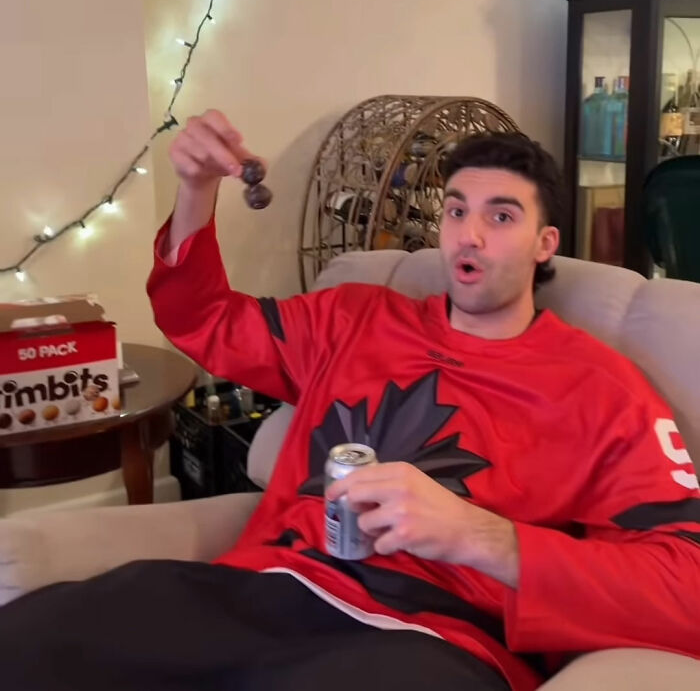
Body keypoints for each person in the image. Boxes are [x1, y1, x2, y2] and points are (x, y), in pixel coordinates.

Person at [1, 110, 699, 691]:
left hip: (430, 639)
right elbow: (204, 321)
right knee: (30, 639)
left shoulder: (604, 390)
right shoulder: (359, 318)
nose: (471, 233)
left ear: (546, 243)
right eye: (457, 209)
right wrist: (192, 190)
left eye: (502, 215)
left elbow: (685, 590)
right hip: (265, 587)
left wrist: (484, 537)